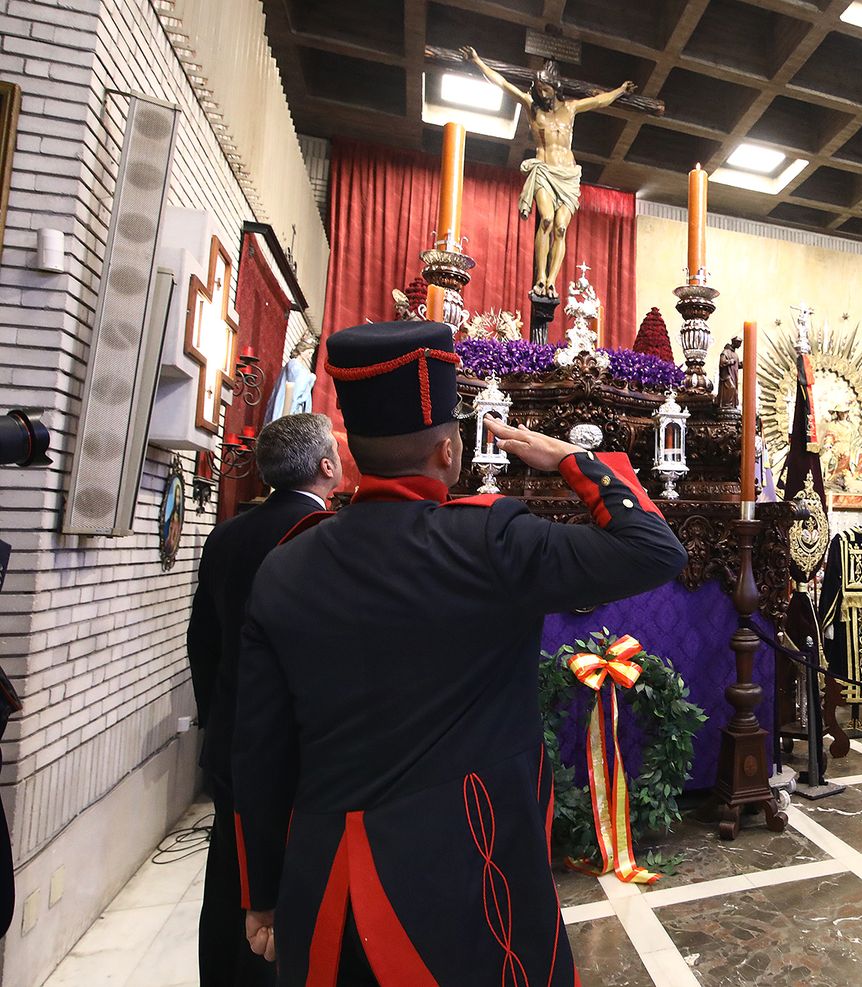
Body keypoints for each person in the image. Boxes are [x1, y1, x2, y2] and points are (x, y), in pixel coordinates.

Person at [231, 321, 687, 984]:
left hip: (324, 885)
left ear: (350, 455)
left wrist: (262, 892)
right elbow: (655, 548)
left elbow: (259, 751)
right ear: (449, 451)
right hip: (470, 881)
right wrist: (569, 458)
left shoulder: (285, 564)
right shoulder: (489, 540)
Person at [186, 412, 341, 987]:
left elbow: (201, 640)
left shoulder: (227, 532)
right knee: (286, 885)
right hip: (293, 747)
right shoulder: (321, 539)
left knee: (230, 875)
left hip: (230, 740)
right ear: (327, 466)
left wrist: (217, 720)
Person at [461, 47, 636, 297]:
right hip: (544, 169)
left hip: (568, 175)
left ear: (555, 88)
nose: (542, 93)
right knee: (546, 219)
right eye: (539, 88)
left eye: (546, 88)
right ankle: (540, 276)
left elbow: (599, 101)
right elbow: (503, 84)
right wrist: (478, 61)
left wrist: (619, 90)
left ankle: (552, 280)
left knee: (561, 228)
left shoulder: (571, 109)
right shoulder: (532, 106)